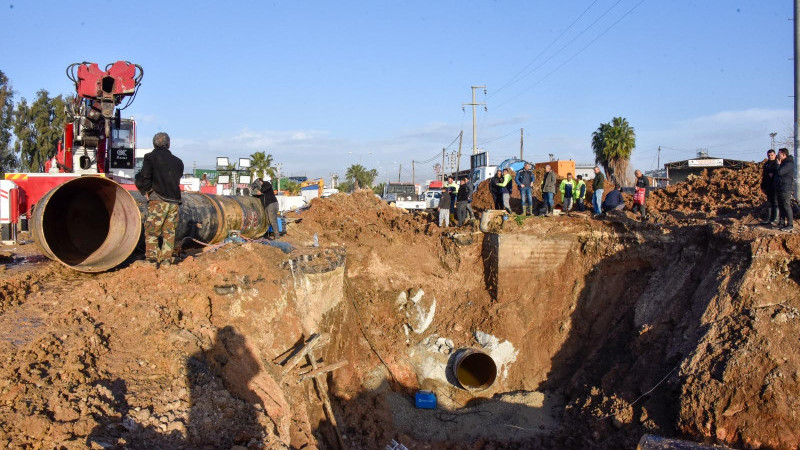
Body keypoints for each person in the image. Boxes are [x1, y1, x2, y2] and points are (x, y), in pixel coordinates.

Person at [134, 132, 184, 267]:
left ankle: (151, 259)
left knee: (152, 231)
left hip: (158, 200)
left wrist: (146, 191)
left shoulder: (150, 157)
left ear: (153, 144)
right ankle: (166, 260)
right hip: (174, 202)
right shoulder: (178, 162)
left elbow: (145, 176)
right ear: (168, 144)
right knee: (169, 232)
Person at [775, 147, 794, 231]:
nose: (777, 155)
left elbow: (780, 172)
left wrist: (778, 164)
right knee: (781, 206)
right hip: (780, 187)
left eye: (779, 154)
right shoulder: (784, 162)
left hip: (786, 188)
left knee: (786, 206)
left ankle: (790, 225)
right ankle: (782, 223)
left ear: (783, 154)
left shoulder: (789, 163)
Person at [761, 149, 779, 225]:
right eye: (769, 155)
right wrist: (763, 186)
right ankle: (769, 218)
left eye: (772, 155)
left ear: (775, 155)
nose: (770, 156)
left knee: (775, 202)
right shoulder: (766, 164)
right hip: (768, 186)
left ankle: (776, 219)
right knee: (769, 203)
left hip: (775, 186)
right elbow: (764, 176)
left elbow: (779, 173)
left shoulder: (777, 163)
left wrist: (773, 175)